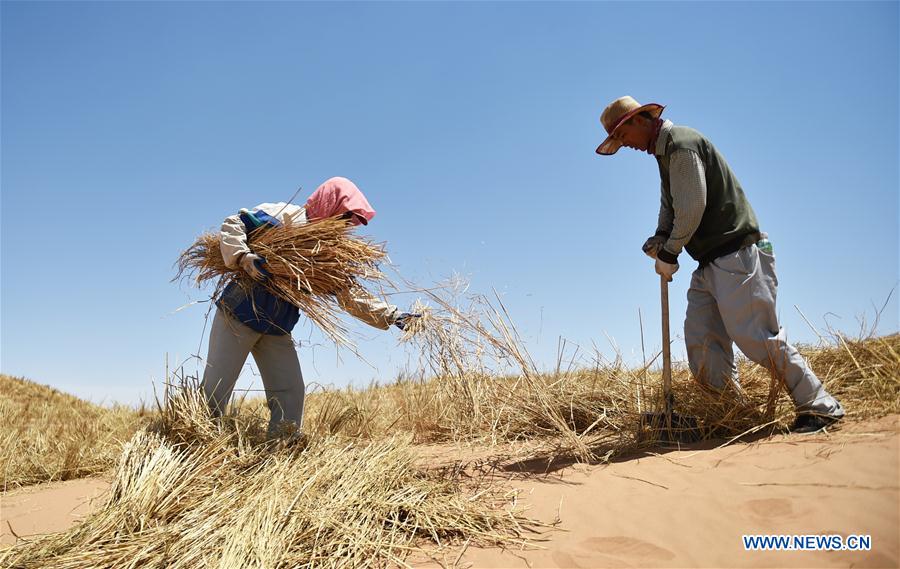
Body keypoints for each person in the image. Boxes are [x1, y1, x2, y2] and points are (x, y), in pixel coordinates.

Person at [595, 96, 844, 434]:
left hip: (736, 253)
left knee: (756, 336)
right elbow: (670, 205)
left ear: (638, 121)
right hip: (710, 260)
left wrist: (670, 253)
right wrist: (660, 236)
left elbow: (693, 206)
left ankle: (819, 406)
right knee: (702, 336)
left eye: (623, 138)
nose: (625, 146)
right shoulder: (664, 154)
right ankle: (730, 415)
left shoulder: (681, 146)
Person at [201, 176, 417, 435]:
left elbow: (348, 294)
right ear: (330, 204)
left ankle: (283, 449)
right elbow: (234, 223)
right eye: (343, 218)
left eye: (348, 222)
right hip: (238, 315)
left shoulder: (326, 251)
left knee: (290, 394)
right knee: (216, 389)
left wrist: (393, 316)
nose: (344, 226)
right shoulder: (286, 216)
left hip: (277, 326)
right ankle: (198, 444)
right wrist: (243, 258)